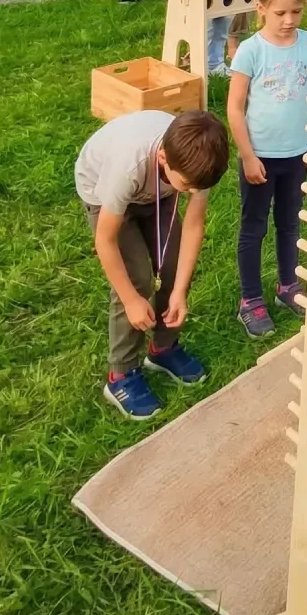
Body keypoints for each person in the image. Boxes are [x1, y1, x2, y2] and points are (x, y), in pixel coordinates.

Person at [75, 108, 230, 420]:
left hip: (156, 192)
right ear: (162, 158)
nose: (191, 192)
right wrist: (133, 300)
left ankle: (163, 349)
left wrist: (180, 292)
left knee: (172, 266)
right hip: (104, 196)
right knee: (138, 281)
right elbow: (105, 241)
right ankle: (121, 375)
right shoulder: (128, 167)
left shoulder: (201, 162)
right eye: (186, 186)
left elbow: (194, 226)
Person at [227, 0, 307, 337]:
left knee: (290, 223)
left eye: (296, 12)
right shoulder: (251, 51)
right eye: (280, 12)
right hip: (260, 157)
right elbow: (235, 107)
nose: (288, 20)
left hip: (296, 154)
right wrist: (248, 155)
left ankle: (288, 286)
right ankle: (250, 299)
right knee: (254, 227)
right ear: (261, 8)